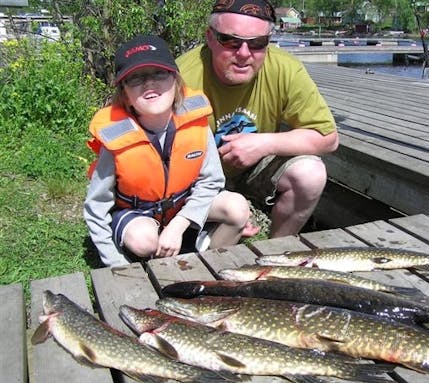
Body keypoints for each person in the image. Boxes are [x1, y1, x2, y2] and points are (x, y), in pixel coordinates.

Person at [84, 34, 250, 267]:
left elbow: (211, 182)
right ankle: (151, 259)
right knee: (143, 241)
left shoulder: (196, 122)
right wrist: (114, 263)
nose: (149, 84)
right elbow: (95, 208)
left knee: (237, 207)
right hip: (139, 215)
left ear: (176, 81)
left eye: (159, 74)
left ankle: (210, 262)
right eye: (135, 79)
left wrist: (178, 224)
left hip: (182, 207)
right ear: (125, 94)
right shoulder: (116, 139)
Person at [177, 0, 339, 238]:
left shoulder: (285, 69)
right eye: (230, 41)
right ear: (210, 38)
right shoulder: (180, 78)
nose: (244, 53)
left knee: (310, 174)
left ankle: (277, 249)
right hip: (194, 177)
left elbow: (328, 138)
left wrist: (262, 144)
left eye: (257, 43)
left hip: (249, 169)